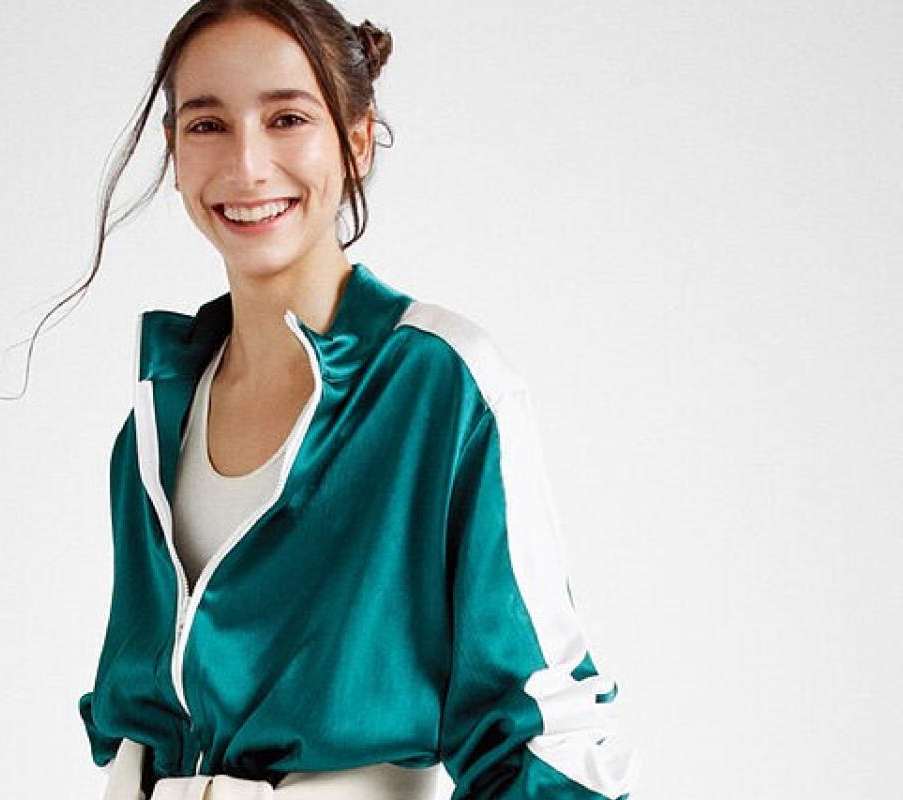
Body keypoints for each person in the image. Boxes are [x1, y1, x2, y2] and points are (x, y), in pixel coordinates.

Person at [77, 2, 638, 798]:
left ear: (357, 140)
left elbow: (547, 731)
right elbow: (136, 729)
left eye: (286, 119)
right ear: (174, 152)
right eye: (207, 125)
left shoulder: (439, 389)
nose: (247, 165)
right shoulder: (154, 426)